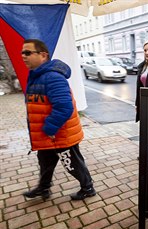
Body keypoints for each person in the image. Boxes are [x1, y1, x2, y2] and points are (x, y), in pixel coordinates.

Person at [21, 39, 96, 200]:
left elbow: (64, 107)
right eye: (22, 53)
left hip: (59, 134)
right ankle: (44, 188)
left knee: (72, 164)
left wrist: (49, 128)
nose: (23, 56)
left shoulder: (53, 77)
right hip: (48, 134)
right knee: (45, 163)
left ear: (43, 55)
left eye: (28, 52)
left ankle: (88, 188)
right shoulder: (36, 76)